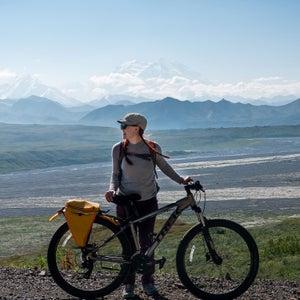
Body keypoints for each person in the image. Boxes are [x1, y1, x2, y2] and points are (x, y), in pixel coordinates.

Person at [105, 112, 191, 299]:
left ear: (137, 129)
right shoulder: (118, 149)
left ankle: (148, 283)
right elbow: (115, 175)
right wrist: (112, 189)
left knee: (148, 244)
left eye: (124, 126)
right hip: (126, 203)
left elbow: (165, 168)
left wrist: (181, 180)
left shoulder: (152, 148)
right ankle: (128, 285)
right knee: (127, 246)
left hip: (148, 201)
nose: (121, 129)